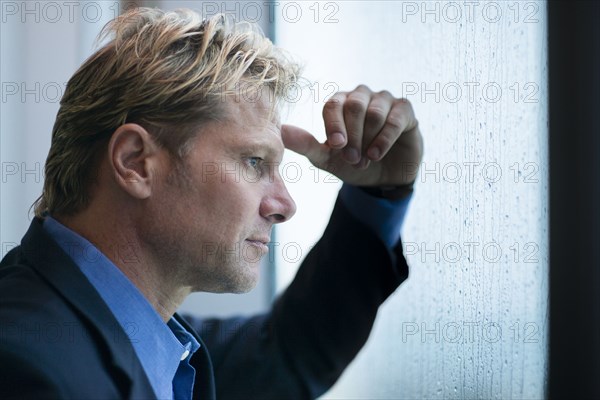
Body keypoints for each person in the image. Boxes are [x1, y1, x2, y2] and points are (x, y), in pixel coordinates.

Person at [0, 7, 423, 400]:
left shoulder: (148, 339)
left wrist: (379, 191)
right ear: (135, 163)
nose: (284, 204)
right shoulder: (27, 370)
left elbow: (286, 355)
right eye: (254, 161)